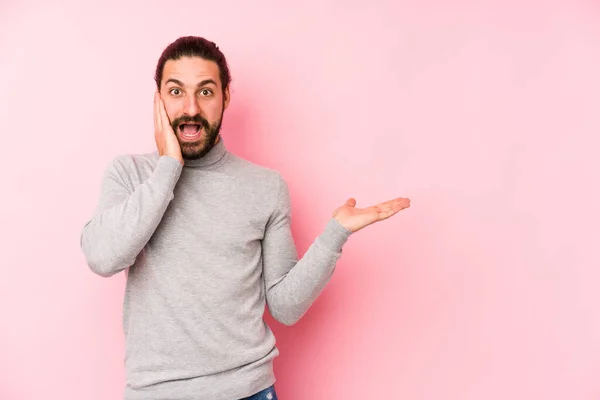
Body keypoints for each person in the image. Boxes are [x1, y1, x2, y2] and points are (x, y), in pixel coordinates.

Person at [80, 36, 410, 400]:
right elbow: (102, 257)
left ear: (226, 97)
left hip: (249, 391)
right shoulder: (129, 174)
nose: (190, 107)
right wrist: (168, 166)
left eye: (205, 92)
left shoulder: (265, 187)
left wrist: (335, 234)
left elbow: (284, 306)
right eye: (176, 92)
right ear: (158, 99)